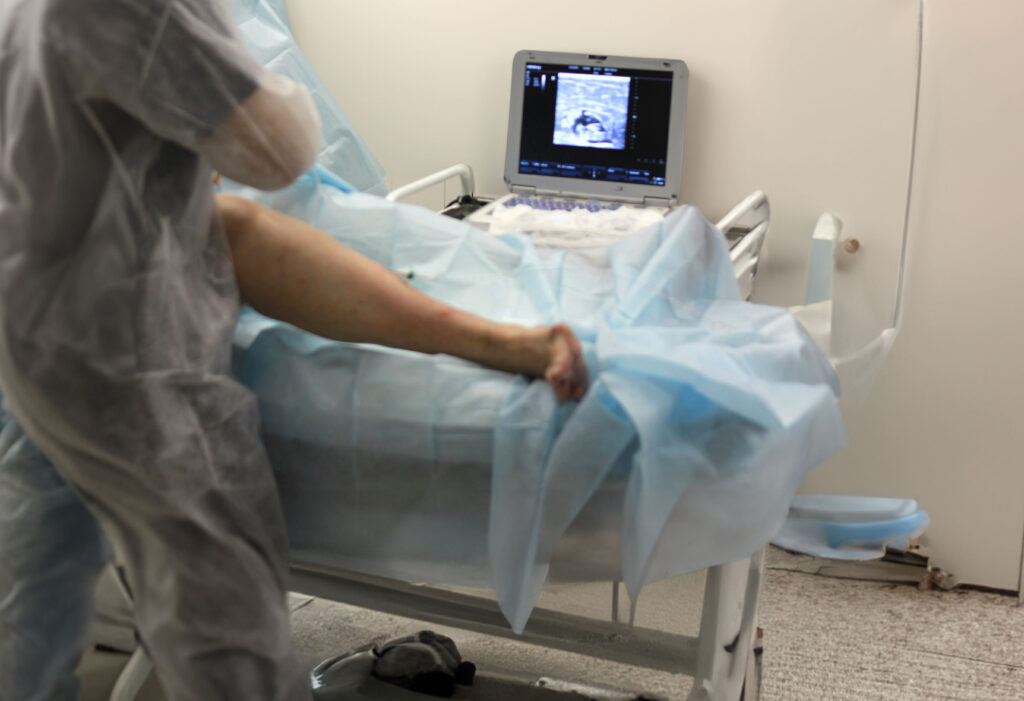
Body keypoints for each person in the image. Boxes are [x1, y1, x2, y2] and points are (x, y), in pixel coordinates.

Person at [0, 1, 586, 700]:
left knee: (31, 582)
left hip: (35, 317)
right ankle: (499, 341)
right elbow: (276, 149)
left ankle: (500, 340)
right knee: (221, 616)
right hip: (116, 345)